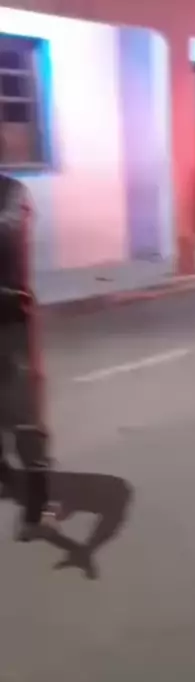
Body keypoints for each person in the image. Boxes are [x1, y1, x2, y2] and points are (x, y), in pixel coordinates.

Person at [0, 173, 50, 541]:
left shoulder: (13, 194)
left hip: (11, 319)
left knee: (24, 414)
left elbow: (12, 235)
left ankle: (37, 501)